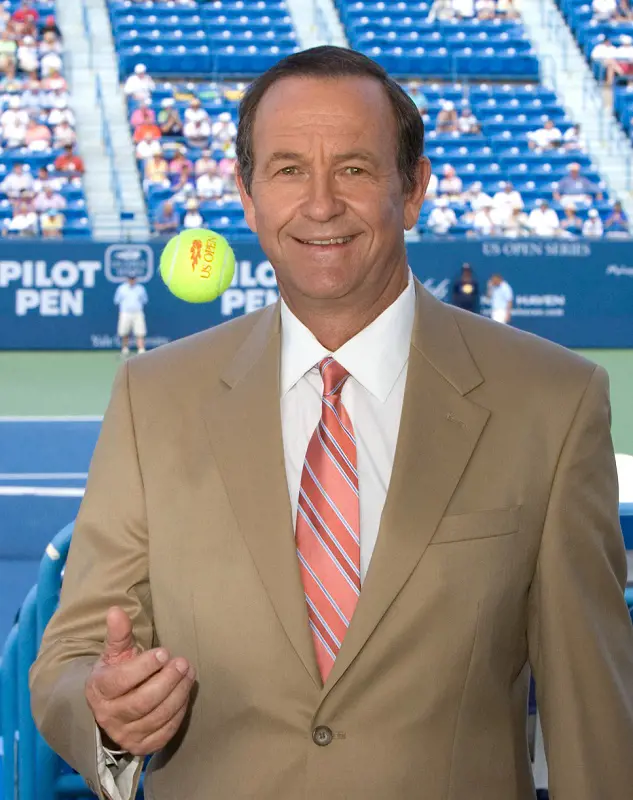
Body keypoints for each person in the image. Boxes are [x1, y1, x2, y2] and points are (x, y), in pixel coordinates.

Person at [30, 45, 633, 800]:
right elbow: (73, 655)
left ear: (411, 190)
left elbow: (590, 714)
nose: (319, 204)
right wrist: (109, 717)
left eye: (353, 167)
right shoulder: (153, 397)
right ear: (247, 198)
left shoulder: (551, 401)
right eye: (287, 170)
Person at [113, 276, 148, 356]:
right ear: (127, 279)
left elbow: (144, 300)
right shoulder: (121, 288)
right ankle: (125, 348)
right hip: (125, 313)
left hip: (137, 313)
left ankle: (141, 349)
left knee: (140, 331)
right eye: (130, 278)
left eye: (133, 278)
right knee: (124, 331)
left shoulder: (140, 288)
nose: (132, 280)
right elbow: (117, 300)